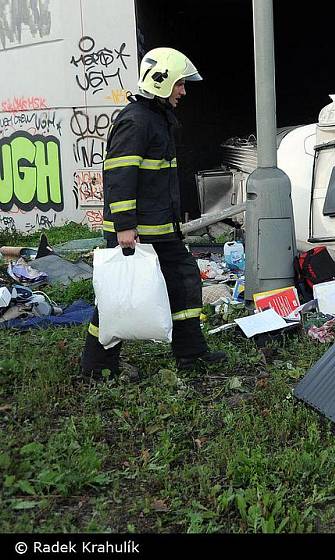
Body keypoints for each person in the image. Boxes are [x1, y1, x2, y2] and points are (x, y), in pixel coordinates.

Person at [80, 47, 227, 378]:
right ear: (160, 82)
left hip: (159, 228)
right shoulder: (136, 121)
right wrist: (124, 227)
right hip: (138, 231)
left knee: (182, 281)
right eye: (179, 84)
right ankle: (96, 367)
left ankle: (192, 355)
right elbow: (119, 176)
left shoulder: (154, 119)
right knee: (119, 295)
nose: (183, 91)